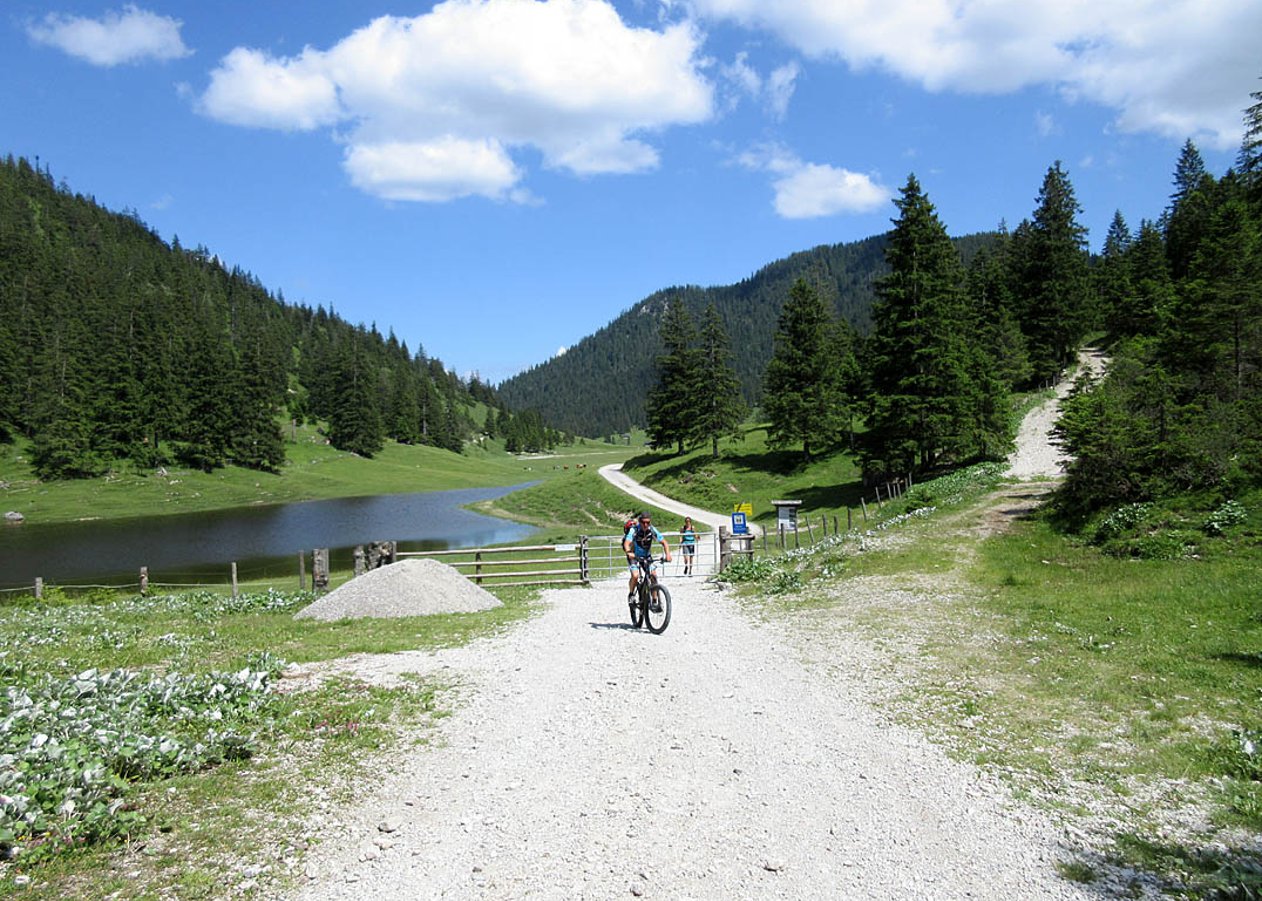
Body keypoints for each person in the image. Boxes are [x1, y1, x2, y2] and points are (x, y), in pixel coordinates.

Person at [624, 511, 671, 607]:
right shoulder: (634, 530)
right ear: (640, 521)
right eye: (643, 522)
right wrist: (629, 552)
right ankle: (631, 594)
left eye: (648, 522)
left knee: (653, 575)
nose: (645, 524)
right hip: (634, 556)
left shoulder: (652, 530)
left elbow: (664, 543)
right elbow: (627, 543)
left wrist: (668, 555)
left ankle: (654, 601)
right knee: (635, 575)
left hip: (646, 557)